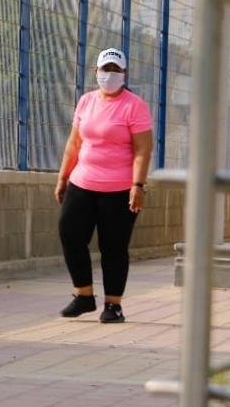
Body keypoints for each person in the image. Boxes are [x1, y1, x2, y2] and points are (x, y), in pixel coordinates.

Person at [54, 48, 153, 324]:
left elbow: (143, 149)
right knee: (70, 233)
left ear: (124, 74)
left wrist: (138, 185)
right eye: (105, 69)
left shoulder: (134, 106)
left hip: (119, 189)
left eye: (115, 70)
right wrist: (62, 177)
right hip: (82, 183)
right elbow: (74, 143)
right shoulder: (86, 101)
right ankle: (83, 295)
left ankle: (113, 305)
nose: (109, 74)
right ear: (96, 71)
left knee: (113, 246)